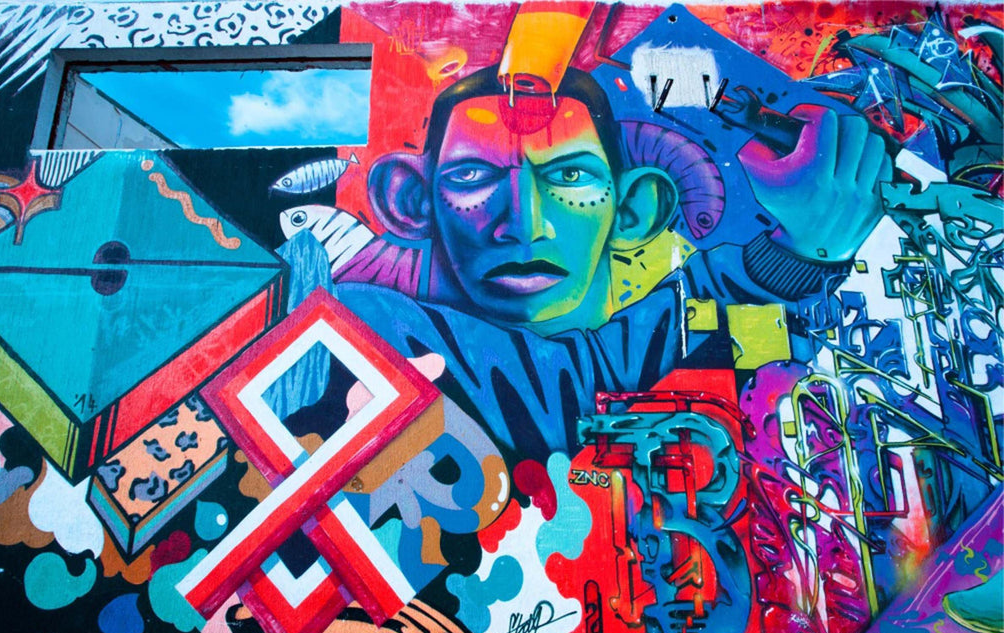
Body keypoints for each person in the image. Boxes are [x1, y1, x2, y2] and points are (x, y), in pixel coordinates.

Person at [332, 66, 890, 463]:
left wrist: (791, 260)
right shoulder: (361, 328)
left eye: (569, 176)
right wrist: (795, 255)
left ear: (633, 210)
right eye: (472, 176)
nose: (524, 225)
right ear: (411, 201)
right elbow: (572, 394)